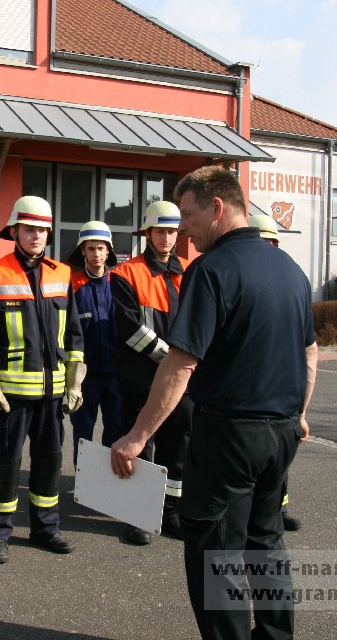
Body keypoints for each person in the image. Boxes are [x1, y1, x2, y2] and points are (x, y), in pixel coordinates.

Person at [111, 166, 318, 640]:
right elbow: (310, 352)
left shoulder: (211, 270)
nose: (183, 227)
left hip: (229, 436)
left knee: (215, 552)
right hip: (282, 432)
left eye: (188, 215)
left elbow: (180, 364)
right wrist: (301, 414)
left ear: (217, 207)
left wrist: (137, 437)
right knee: (266, 543)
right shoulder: (290, 270)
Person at [0, 195, 86, 564]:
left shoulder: (62, 274)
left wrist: (74, 383)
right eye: (29, 229)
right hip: (10, 397)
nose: (36, 235)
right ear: (14, 231)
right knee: (5, 463)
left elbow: (74, 335)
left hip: (52, 395)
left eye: (42, 230)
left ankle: (45, 528)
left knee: (50, 462)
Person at [109, 200, 192, 545]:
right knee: (140, 446)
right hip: (140, 375)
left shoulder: (190, 271)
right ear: (147, 233)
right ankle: (138, 515)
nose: (166, 238)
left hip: (180, 379)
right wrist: (170, 358)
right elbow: (128, 328)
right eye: (160, 231)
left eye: (172, 232)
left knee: (178, 445)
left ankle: (170, 513)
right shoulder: (125, 274)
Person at [248, 214, 302, 532]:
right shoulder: (244, 280)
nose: (266, 249)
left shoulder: (289, 277)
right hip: (252, 384)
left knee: (279, 455)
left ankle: (279, 510)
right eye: (261, 243)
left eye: (270, 243)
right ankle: (255, 515)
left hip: (282, 382)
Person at [66, 221, 122, 464]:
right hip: (84, 375)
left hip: (116, 373)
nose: (96, 254)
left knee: (116, 429)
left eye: (101, 248)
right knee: (83, 431)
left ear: (108, 251)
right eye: (91, 248)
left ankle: (111, 479)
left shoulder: (119, 284)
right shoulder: (72, 285)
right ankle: (83, 478)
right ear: (82, 251)